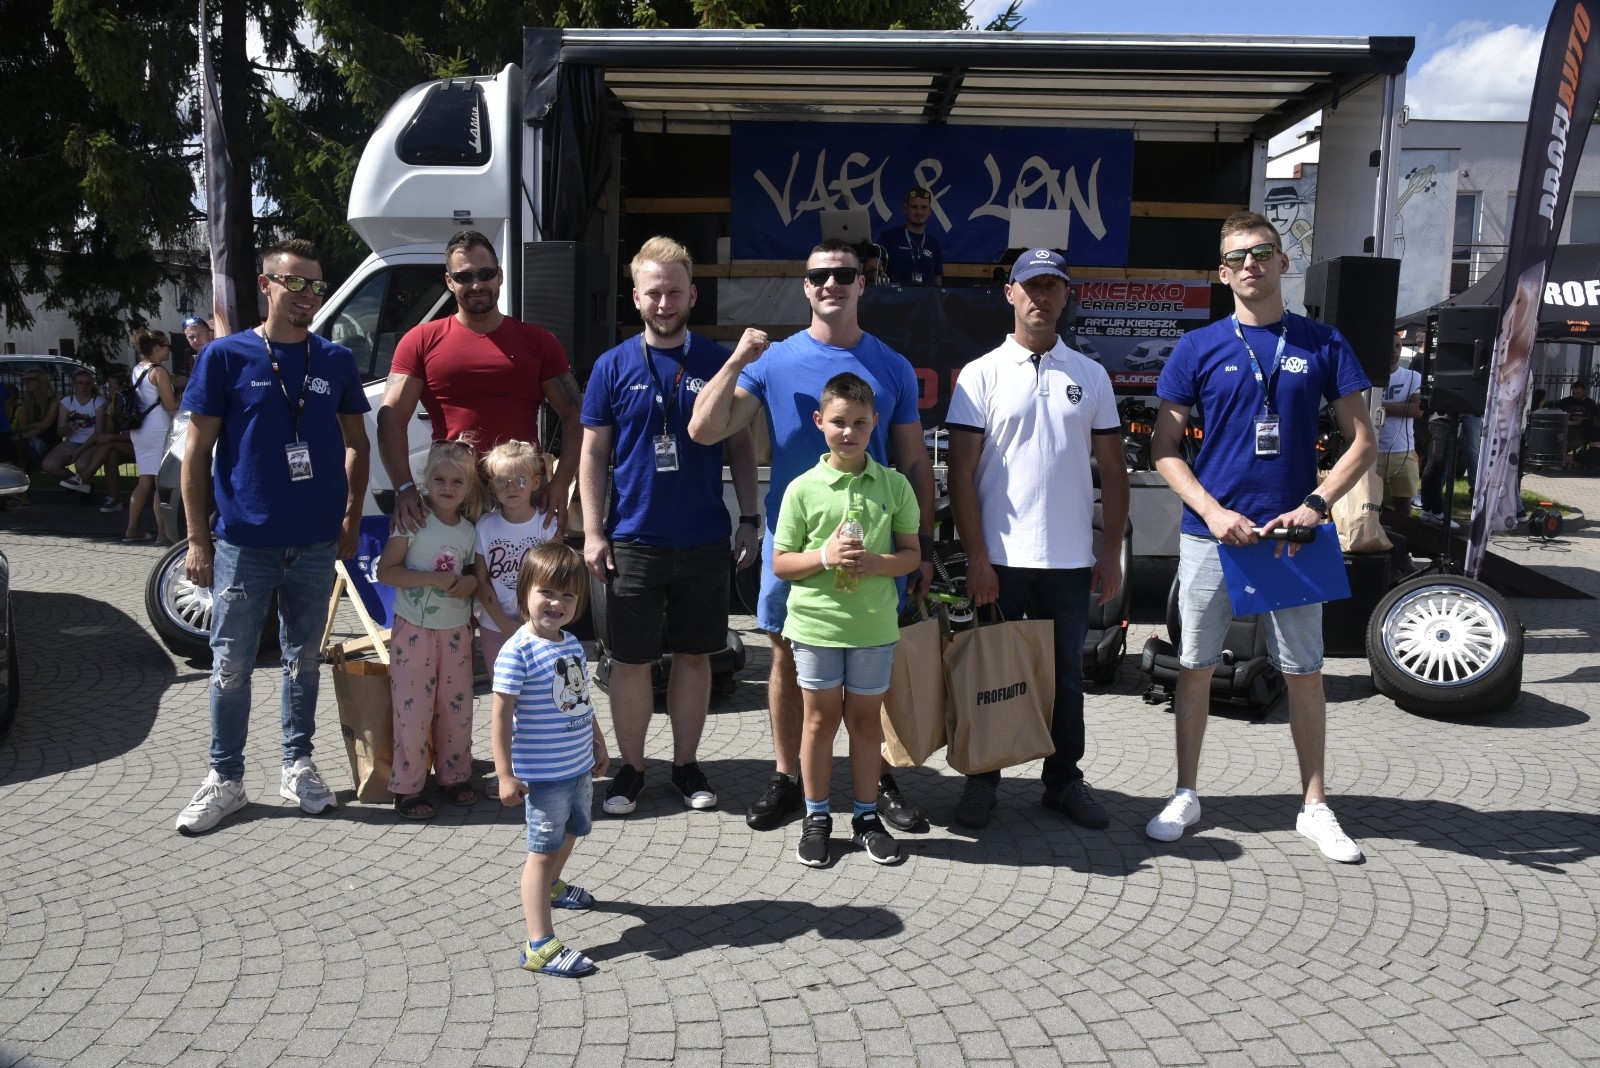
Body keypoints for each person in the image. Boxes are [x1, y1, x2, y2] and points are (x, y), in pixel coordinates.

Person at [1146, 211, 1376, 864]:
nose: (1250, 264)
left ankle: (1315, 805)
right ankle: (1186, 794)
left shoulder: (1323, 343)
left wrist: (1316, 504)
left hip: (1289, 538)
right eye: (1237, 257)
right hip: (1211, 537)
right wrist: (1212, 511)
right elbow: (1164, 448)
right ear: (1222, 274)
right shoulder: (1197, 348)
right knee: (1194, 668)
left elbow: (1363, 441)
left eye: (1262, 252)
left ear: (1282, 261)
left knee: (1305, 672)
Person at [688, 238, 935, 835]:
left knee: (874, 663)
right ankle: (787, 778)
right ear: (805, 286)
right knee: (785, 657)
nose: (831, 284)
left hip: (872, 554)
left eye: (844, 274)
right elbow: (703, 429)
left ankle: (879, 779)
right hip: (795, 546)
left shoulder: (893, 366)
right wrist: (736, 359)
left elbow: (912, 461)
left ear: (861, 283)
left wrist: (922, 547)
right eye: (819, 275)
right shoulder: (773, 362)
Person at [174, 238, 371, 836]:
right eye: (296, 283)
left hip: (314, 544)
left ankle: (297, 765)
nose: (309, 295)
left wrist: (350, 518)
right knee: (231, 663)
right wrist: (198, 539)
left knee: (302, 661)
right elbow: (196, 452)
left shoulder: (335, 359)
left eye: (317, 285)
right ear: (267, 285)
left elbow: (357, 444)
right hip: (243, 544)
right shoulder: (225, 357)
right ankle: (225, 778)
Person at [944, 247, 1129, 830]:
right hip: (999, 560)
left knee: (1066, 678)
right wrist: (977, 558)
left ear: (1066, 295)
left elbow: (1114, 472)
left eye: (1052, 286)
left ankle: (1063, 780)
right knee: (991, 674)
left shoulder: (1091, 375)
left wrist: (1110, 553)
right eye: (1030, 286)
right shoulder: (981, 373)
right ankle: (982, 780)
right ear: (1010, 293)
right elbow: (960, 474)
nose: (1041, 297)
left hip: (1069, 560)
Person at [578, 237, 760, 817]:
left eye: (674, 292)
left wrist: (749, 519)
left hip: (703, 537)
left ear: (692, 295)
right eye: (653, 292)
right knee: (630, 662)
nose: (664, 302)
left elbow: (740, 448)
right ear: (636, 297)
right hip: (633, 539)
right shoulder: (611, 366)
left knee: (695, 656)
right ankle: (632, 770)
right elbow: (592, 454)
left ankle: (685, 765)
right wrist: (593, 532)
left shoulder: (718, 361)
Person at [772, 372, 921, 867]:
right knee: (818, 721)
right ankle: (816, 817)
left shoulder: (895, 485)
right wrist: (826, 556)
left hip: (874, 628)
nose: (849, 432)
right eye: (838, 422)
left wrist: (878, 563)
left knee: (864, 723)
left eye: (860, 422)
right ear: (819, 421)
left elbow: (912, 554)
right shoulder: (801, 489)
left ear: (875, 423)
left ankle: (865, 818)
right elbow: (781, 563)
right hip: (816, 627)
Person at [379, 229, 583, 534]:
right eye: (464, 277)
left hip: (521, 493)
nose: (476, 285)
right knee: (448, 569)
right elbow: (390, 417)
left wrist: (561, 481)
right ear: (449, 281)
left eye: (485, 274)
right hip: (451, 493)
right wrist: (404, 488)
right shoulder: (420, 340)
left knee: (528, 569)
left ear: (499, 275)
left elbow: (577, 412)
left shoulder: (539, 341)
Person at [491, 542, 609, 978]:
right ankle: (539, 945)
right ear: (525, 591)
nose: (557, 603)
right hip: (543, 776)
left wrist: (598, 742)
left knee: (572, 831)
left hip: (576, 766)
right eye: (547, 592)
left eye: (568, 596)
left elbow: (582, 700)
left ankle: (554, 888)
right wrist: (504, 774)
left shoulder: (571, 643)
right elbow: (500, 717)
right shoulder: (517, 651)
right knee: (540, 854)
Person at [377, 439, 484, 820]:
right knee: (413, 710)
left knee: (456, 708)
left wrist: (470, 583)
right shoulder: (413, 522)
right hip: (414, 631)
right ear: (426, 479)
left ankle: (453, 776)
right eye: (440, 479)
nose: (447, 488)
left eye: (457, 482)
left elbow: (472, 574)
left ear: (468, 488)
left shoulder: (469, 531)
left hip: (456, 632)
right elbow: (386, 571)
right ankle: (408, 786)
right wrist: (431, 579)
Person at [472, 439, 559, 673]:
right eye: (502, 481)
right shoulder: (484, 526)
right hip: (494, 624)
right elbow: (481, 580)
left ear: (535, 482)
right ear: (492, 485)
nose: (511, 488)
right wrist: (503, 623)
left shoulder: (546, 525)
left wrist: (531, 619)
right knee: (502, 686)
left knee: (539, 686)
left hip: (540, 623)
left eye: (520, 480)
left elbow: (555, 578)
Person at [118, 330, 181, 541]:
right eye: (167, 346)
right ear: (156, 348)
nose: (169, 350)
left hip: (140, 429)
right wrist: (187, 399)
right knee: (159, 482)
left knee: (144, 481)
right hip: (158, 427)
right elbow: (170, 404)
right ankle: (162, 533)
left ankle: (132, 529)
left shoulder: (138, 368)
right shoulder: (159, 371)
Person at [1376, 333, 1423, 516]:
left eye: (1398, 346)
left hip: (1402, 450)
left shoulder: (1413, 376)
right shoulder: (1368, 377)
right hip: (1373, 450)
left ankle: (1402, 534)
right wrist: (1403, 406)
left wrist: (1382, 406)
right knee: (1371, 506)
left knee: (1403, 509)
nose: (1394, 351)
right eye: (1390, 346)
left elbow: (1417, 410)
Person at [46, 370, 106, 490]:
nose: (84, 386)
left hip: (92, 442)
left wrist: (80, 450)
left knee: (81, 465)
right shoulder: (67, 402)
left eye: (87, 383)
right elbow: (60, 432)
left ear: (92, 384)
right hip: (73, 440)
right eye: (80, 383)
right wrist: (68, 428)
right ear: (74, 384)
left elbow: (99, 433)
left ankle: (82, 486)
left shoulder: (99, 402)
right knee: (49, 465)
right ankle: (78, 483)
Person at [876, 188, 943, 287]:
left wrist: (939, 296)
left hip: (926, 296)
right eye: (914, 207)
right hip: (894, 296)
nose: (919, 212)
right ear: (905, 209)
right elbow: (873, 267)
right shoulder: (888, 237)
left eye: (924, 207)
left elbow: (937, 280)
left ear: (930, 211)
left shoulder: (934, 244)